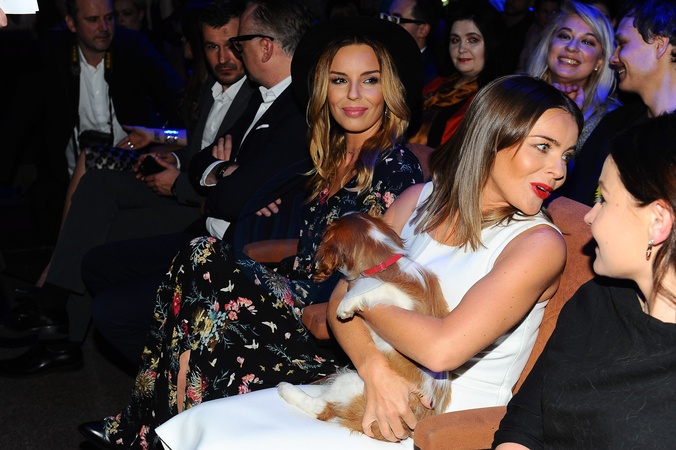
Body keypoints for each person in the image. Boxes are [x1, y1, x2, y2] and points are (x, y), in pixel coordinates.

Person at [153, 74, 583, 450]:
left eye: (566, 154)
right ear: (490, 139)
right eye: (543, 147)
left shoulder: (538, 245)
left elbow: (441, 348)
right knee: (213, 422)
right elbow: (338, 303)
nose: (559, 170)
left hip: (432, 426)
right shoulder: (417, 200)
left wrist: (364, 298)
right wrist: (374, 368)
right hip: (368, 386)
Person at [77, 14, 425, 450]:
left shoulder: (393, 169)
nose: (353, 94)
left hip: (330, 324)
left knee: (205, 262)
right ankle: (157, 426)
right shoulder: (330, 157)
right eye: (340, 80)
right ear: (324, 89)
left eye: (369, 80)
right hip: (297, 296)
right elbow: (311, 248)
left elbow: (371, 284)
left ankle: (148, 426)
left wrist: (280, 287)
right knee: (200, 262)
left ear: (388, 89)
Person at [0, 0, 254, 377]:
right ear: (71, 23)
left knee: (98, 222)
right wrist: (171, 155)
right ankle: (53, 315)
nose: (222, 57)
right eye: (212, 47)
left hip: (197, 204)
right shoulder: (212, 87)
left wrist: (167, 155)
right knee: (95, 180)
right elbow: (199, 144)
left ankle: (55, 322)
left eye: (231, 46)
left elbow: (222, 166)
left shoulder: (249, 95)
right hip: (156, 174)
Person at [493, 113, 676, 449]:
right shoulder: (597, 300)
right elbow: (525, 423)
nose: (589, 216)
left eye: (604, 199)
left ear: (658, 222)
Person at [0, 0, 185, 243]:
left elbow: (178, 100)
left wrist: (170, 137)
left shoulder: (132, 46)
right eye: (92, 20)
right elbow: (19, 119)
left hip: (130, 172)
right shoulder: (51, 52)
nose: (104, 28)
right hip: (65, 179)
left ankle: (61, 261)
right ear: (71, 23)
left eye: (109, 18)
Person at [559, 0, 676, 205]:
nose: (613, 59)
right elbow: (575, 202)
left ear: (659, 45)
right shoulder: (615, 124)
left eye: (622, 44)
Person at [408, 1, 505, 147]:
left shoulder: (494, 100)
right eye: (455, 40)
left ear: (492, 44)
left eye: (472, 40)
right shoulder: (437, 83)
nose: (461, 48)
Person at [526, 0, 620, 148]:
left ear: (599, 61)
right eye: (565, 36)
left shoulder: (610, 121)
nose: (571, 47)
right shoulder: (515, 95)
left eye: (587, 42)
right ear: (549, 44)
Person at [380, 0, 444, 84]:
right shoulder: (379, 56)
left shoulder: (431, 77)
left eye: (396, 20)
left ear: (423, 30)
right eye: (386, 17)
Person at [517, 0, 561, 71]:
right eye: (544, 12)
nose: (549, 16)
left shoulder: (561, 37)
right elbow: (522, 61)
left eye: (554, 12)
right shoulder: (532, 30)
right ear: (536, 13)